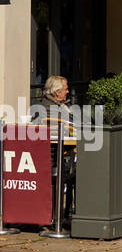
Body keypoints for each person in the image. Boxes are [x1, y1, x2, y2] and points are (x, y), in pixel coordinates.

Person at [29, 76, 75, 221]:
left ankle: (62, 214)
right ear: (56, 92)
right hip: (55, 160)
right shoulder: (53, 111)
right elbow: (70, 132)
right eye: (65, 89)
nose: (68, 91)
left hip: (47, 159)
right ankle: (65, 215)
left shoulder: (40, 107)